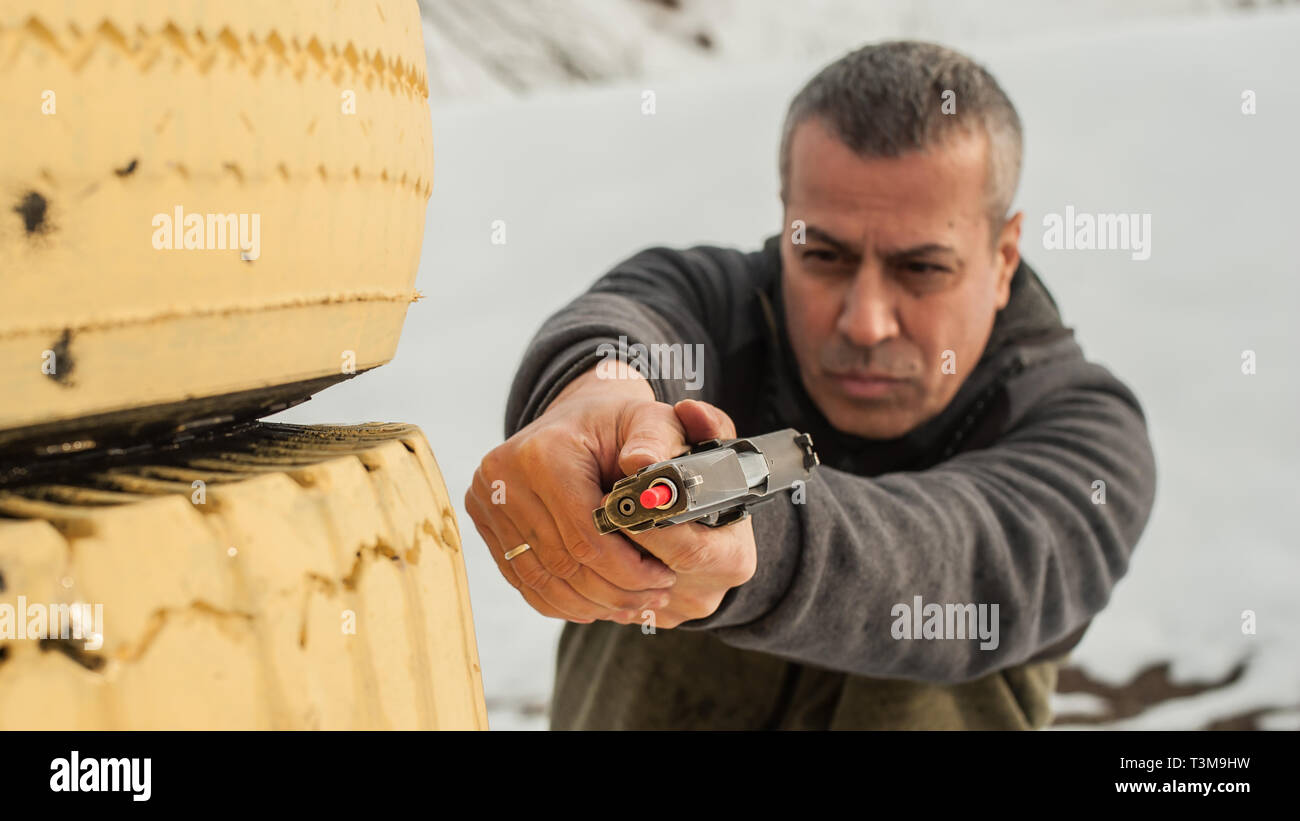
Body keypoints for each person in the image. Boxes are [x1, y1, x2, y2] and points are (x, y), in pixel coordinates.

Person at [465, 40, 1157, 730]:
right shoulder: (714, 301)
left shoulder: (1085, 432)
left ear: (1004, 257)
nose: (865, 322)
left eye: (921, 268)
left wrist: (744, 538)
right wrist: (594, 402)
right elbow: (628, 321)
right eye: (824, 255)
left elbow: (959, 563)